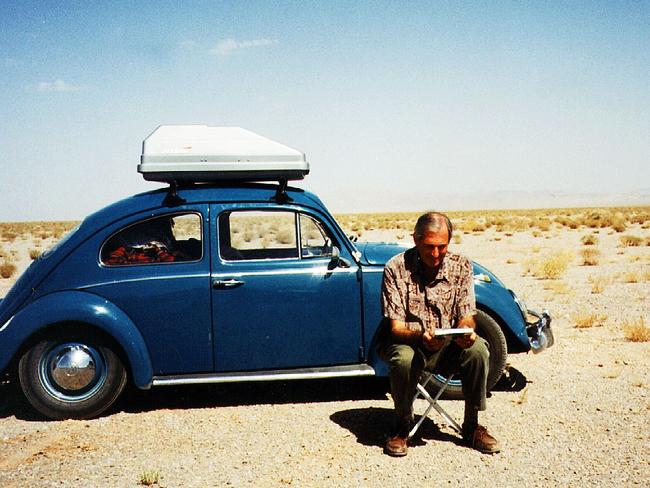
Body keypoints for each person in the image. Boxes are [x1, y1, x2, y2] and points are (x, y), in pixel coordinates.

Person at [379, 211, 500, 456]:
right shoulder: (395, 268)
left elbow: (467, 313)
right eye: (429, 247)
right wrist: (421, 336)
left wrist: (467, 332)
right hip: (408, 342)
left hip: (446, 344)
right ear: (415, 239)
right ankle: (402, 425)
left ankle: (472, 425)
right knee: (402, 359)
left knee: (478, 350)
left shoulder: (461, 266)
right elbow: (396, 328)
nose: (435, 255)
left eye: (442, 247)